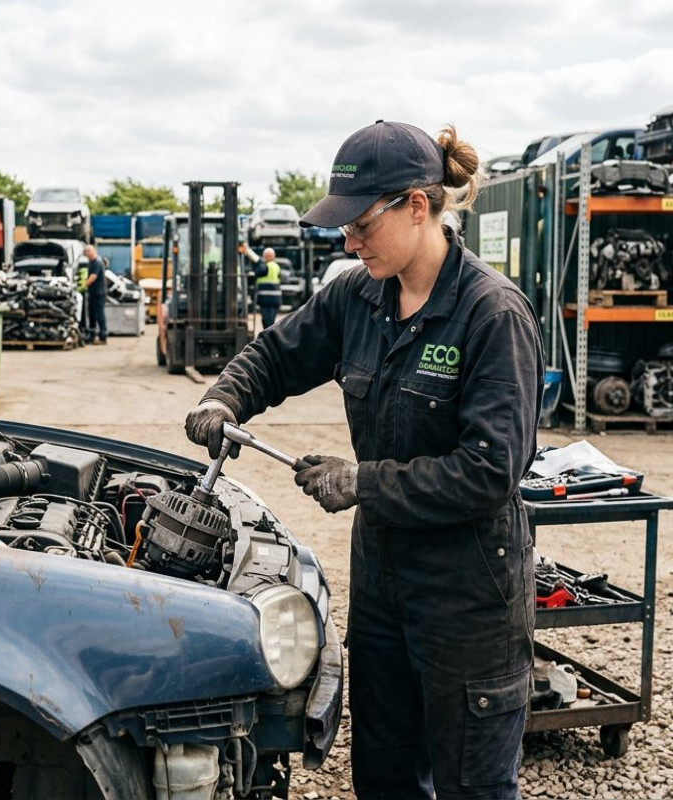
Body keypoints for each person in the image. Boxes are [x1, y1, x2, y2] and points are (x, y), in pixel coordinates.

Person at [184, 120, 543, 799]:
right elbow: (278, 354)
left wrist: (363, 482)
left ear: (417, 205)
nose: (349, 242)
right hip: (383, 578)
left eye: (360, 225)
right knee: (383, 774)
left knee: (471, 785)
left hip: (468, 594)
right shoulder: (359, 295)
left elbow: (490, 471)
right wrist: (225, 396)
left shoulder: (492, 315)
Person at [252, 247, 282, 332]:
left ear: (265, 256)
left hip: (266, 299)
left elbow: (257, 273)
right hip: (276, 298)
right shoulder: (277, 266)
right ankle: (270, 335)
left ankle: (268, 337)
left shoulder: (265, 267)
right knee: (271, 320)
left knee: (267, 321)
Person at [83, 244, 108, 344]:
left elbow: (93, 277)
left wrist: (84, 285)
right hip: (93, 292)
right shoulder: (91, 262)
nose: (86, 256)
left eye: (87, 254)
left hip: (98, 293)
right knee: (92, 315)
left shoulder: (97, 262)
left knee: (99, 314)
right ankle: (92, 335)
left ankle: (103, 336)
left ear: (91, 252)